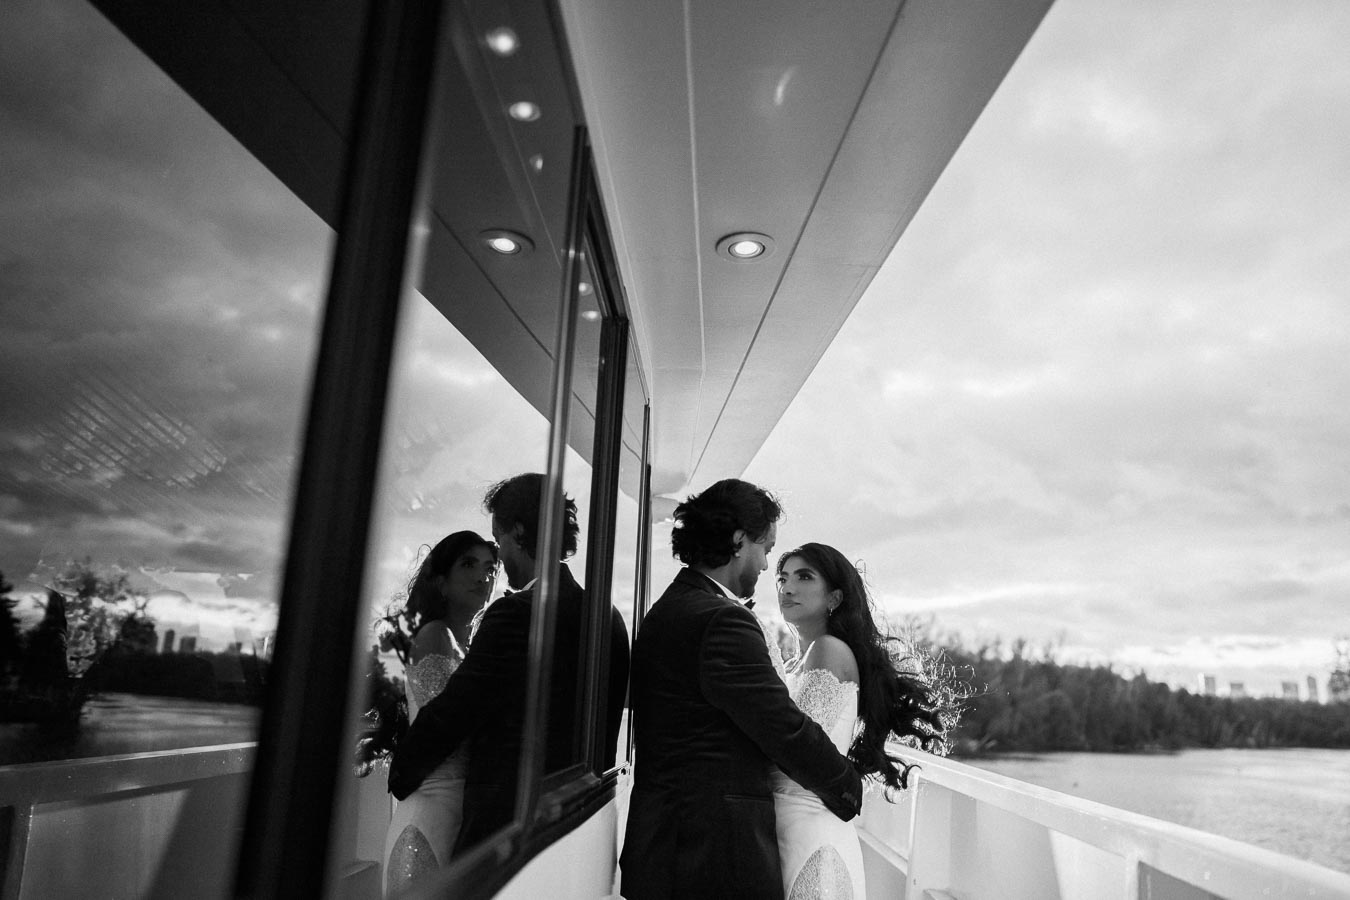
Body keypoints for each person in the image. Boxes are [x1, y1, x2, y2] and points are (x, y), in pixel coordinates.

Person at [620, 479, 862, 900]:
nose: (768, 568)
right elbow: (782, 728)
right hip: (710, 855)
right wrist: (847, 785)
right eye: (766, 550)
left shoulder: (673, 607)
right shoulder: (720, 620)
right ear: (737, 541)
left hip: (671, 846)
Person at [387, 473, 630, 854]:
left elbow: (454, 712)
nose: (498, 558)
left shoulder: (517, 614)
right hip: (575, 828)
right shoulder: (609, 619)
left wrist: (401, 775)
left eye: (498, 540)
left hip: (504, 834)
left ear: (518, 531)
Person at [772, 542, 952, 899]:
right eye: (782, 578)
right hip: (786, 830)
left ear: (835, 598)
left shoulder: (828, 649)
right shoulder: (801, 659)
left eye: (803, 577)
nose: (787, 588)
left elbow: (795, 748)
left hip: (812, 837)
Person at [382, 530, 497, 895]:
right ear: (441, 584)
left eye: (491, 567)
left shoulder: (464, 646)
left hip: (455, 813)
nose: (485, 576)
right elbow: (445, 727)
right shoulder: (435, 635)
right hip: (430, 817)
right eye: (469, 564)